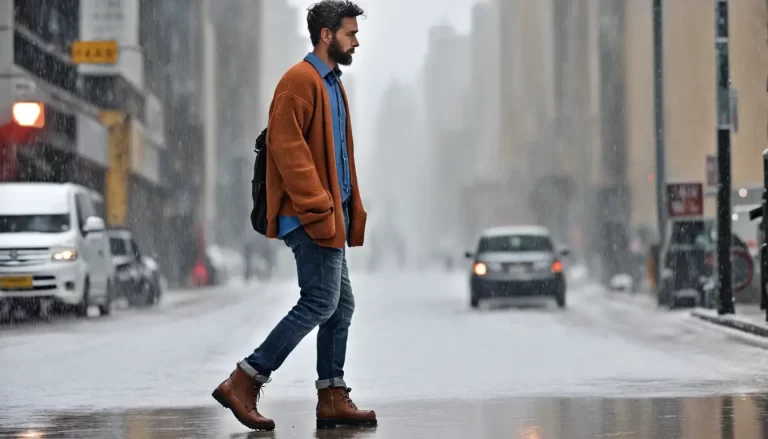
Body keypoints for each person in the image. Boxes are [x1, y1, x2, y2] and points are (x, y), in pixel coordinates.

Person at [211, 0, 375, 431]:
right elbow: (287, 149)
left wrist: (343, 207)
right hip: (311, 217)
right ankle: (244, 380)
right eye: (349, 33)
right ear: (326, 35)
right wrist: (319, 205)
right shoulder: (299, 81)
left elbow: (337, 156)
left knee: (340, 306)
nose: (356, 40)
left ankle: (333, 396)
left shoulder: (331, 84)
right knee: (321, 302)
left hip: (329, 217)